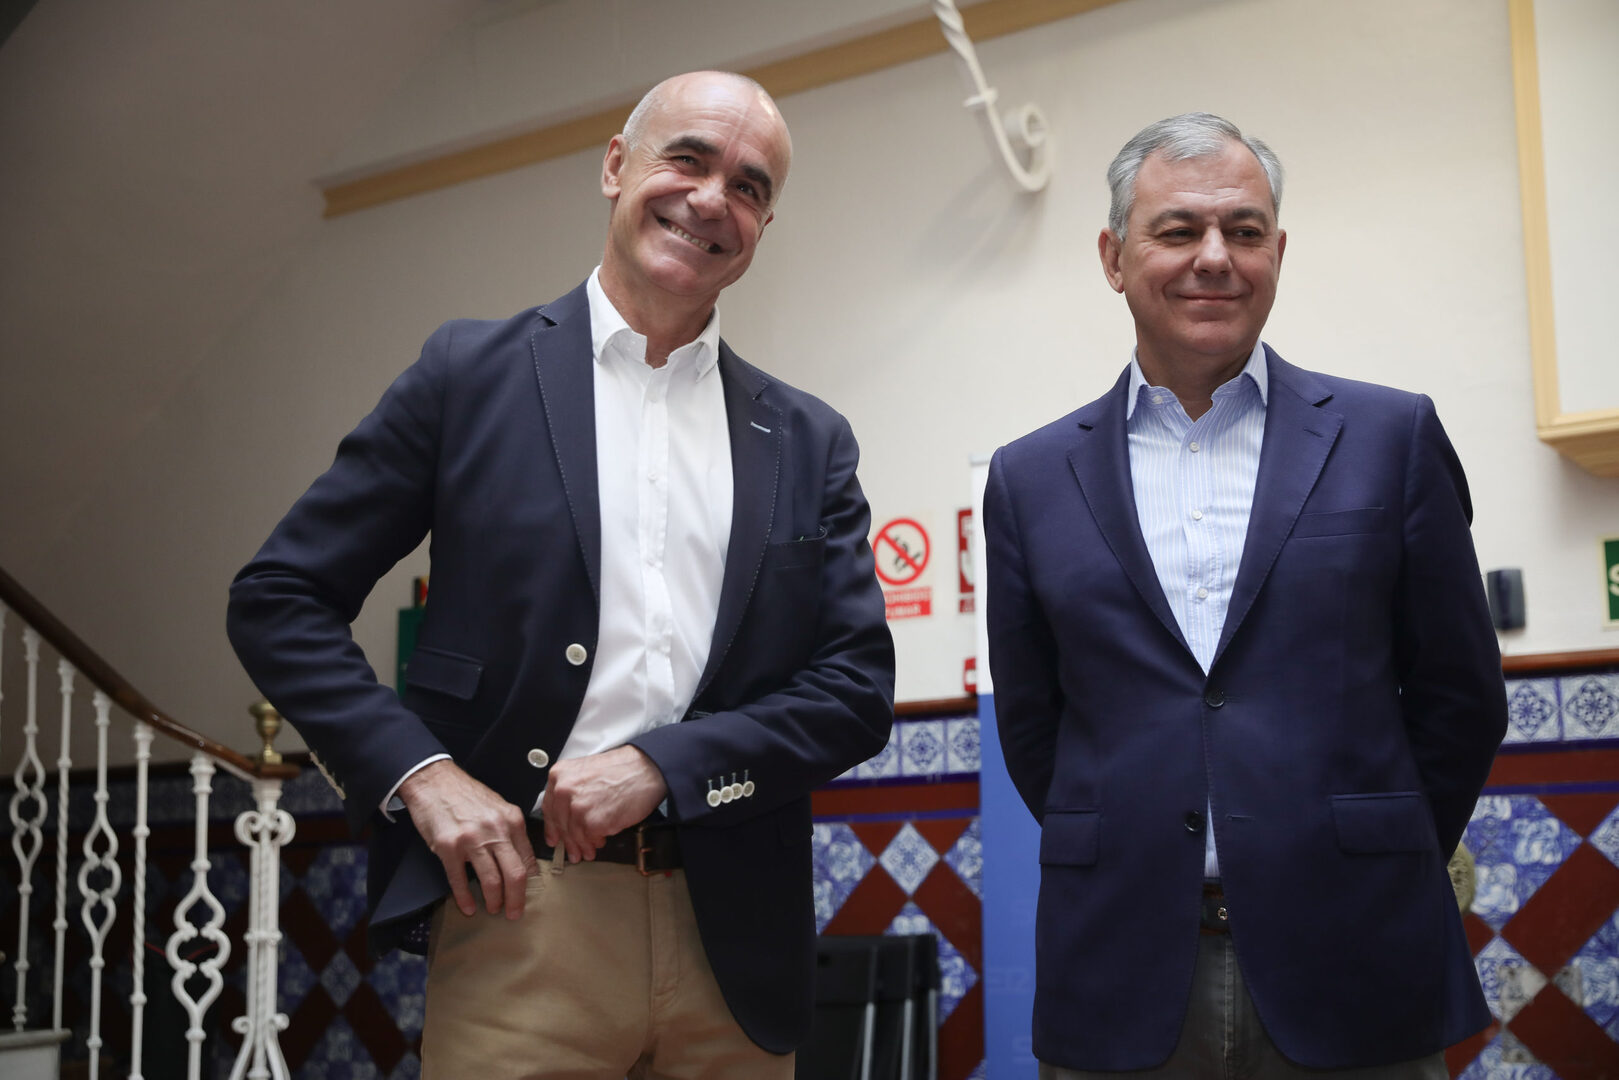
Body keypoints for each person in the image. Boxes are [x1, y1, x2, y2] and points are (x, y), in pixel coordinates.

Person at [227, 70, 894, 1079]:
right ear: (616, 165)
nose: (711, 199)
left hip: (736, 943)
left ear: (763, 223)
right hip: (519, 919)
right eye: (686, 160)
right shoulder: (465, 377)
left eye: (749, 186)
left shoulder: (808, 437)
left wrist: (664, 765)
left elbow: (852, 692)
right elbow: (279, 599)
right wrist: (420, 776)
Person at [982, 113, 1506, 1077]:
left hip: (1356, 956)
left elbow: (1460, 697)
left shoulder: (1388, 438)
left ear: (1277, 252)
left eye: (1244, 230)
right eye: (1178, 230)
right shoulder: (1029, 478)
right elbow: (1033, 725)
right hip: (1122, 966)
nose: (1214, 257)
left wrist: (1366, 854)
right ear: (1112, 256)